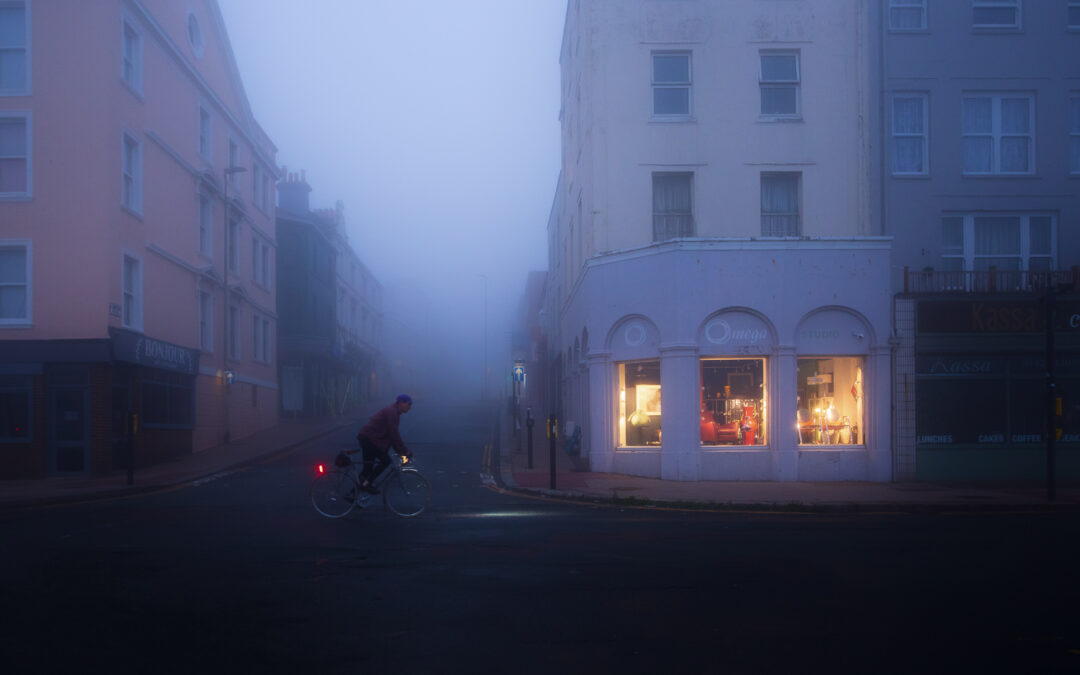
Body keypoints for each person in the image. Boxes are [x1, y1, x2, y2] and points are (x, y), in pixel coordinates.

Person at [352, 394, 413, 494]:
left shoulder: (395, 412)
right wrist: (404, 451)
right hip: (369, 439)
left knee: (367, 470)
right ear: (401, 403)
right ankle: (366, 484)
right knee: (385, 461)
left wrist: (401, 451)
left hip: (367, 438)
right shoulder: (392, 412)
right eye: (409, 404)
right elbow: (394, 434)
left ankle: (352, 494)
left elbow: (392, 436)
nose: (410, 407)